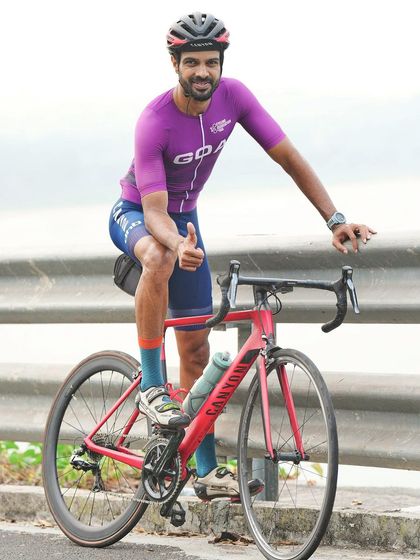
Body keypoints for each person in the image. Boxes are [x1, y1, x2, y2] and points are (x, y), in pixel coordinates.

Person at [109, 12, 375, 500]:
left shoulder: (234, 97)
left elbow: (289, 158)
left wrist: (335, 220)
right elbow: (152, 211)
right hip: (140, 217)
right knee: (159, 259)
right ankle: (151, 386)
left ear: (221, 63)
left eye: (211, 62)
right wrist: (175, 244)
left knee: (197, 349)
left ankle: (205, 471)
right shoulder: (154, 121)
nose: (203, 72)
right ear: (175, 64)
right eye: (192, 63)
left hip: (185, 223)